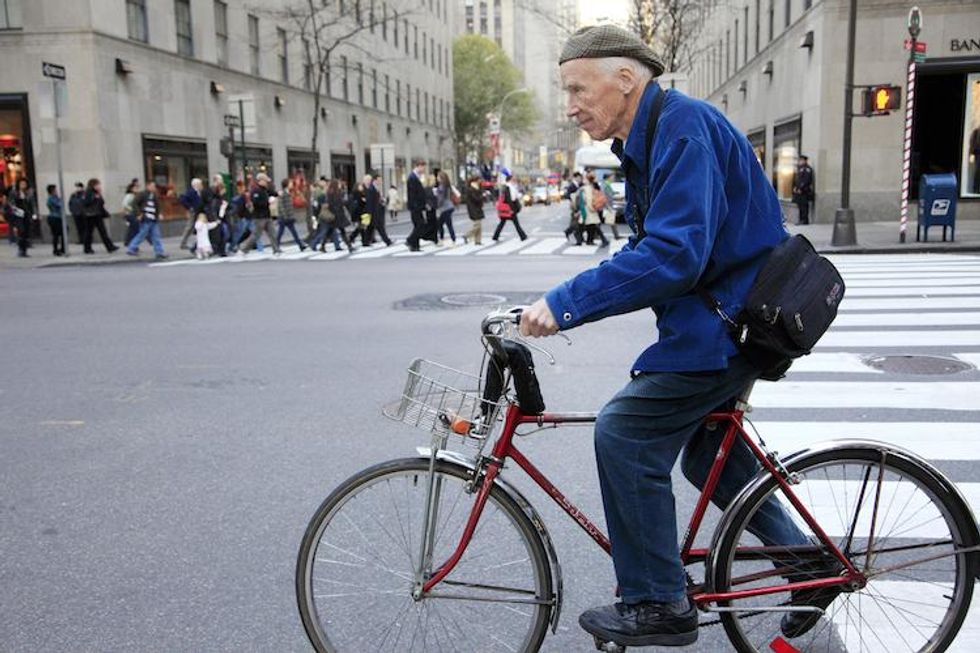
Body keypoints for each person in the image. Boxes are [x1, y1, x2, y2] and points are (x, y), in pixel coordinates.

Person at [518, 25, 813, 648]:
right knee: (708, 455)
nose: (569, 105)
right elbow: (655, 252)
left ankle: (658, 602)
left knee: (624, 433)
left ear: (625, 79)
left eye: (577, 88)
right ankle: (805, 565)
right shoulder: (650, 136)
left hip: (728, 327)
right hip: (716, 320)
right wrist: (567, 299)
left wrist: (565, 305)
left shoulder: (683, 129)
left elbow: (674, 255)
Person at [237, 173, 281, 255]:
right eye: (265, 181)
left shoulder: (265, 190)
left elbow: (273, 193)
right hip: (259, 217)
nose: (266, 183)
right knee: (256, 235)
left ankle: (276, 249)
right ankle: (243, 248)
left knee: (273, 233)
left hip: (267, 215)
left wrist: (278, 194)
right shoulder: (255, 191)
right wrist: (268, 202)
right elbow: (256, 203)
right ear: (260, 181)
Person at [126, 180, 167, 259]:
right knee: (142, 234)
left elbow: (157, 206)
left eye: (154, 186)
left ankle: (159, 252)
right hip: (145, 217)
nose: (153, 188)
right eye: (152, 186)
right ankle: (131, 248)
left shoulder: (154, 195)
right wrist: (139, 214)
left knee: (156, 235)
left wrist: (159, 214)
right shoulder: (142, 194)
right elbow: (134, 204)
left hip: (153, 218)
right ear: (148, 186)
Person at [81, 178, 118, 253]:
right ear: (93, 185)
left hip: (97, 214)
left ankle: (110, 247)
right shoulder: (88, 192)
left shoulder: (97, 193)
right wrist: (95, 197)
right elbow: (86, 203)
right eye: (97, 184)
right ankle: (87, 248)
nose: (99, 186)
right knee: (89, 232)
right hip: (90, 215)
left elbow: (101, 204)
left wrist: (105, 213)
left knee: (103, 231)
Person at [491, 175, 528, 241]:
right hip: (509, 207)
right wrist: (511, 209)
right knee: (516, 223)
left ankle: (495, 236)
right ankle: (523, 236)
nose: (515, 179)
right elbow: (508, 198)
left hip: (508, 207)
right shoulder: (507, 187)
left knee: (502, 223)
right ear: (510, 179)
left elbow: (514, 196)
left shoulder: (510, 186)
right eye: (513, 178)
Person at [578, 171, 610, 247]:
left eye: (585, 179)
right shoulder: (589, 187)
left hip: (588, 209)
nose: (583, 180)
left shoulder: (587, 188)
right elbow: (588, 199)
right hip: (589, 209)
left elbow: (588, 199)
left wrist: (591, 208)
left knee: (590, 225)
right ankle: (597, 240)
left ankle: (588, 240)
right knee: (592, 225)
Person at [9, 178, 38, 257]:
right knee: (21, 230)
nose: (23, 185)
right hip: (18, 215)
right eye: (21, 184)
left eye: (24, 184)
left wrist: (34, 213)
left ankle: (24, 250)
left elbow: (33, 204)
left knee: (26, 232)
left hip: (27, 214)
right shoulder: (14, 193)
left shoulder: (29, 193)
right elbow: (11, 204)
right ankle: (20, 249)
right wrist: (15, 210)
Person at [275, 178, 307, 251]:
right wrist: (284, 215)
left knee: (292, 231)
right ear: (286, 184)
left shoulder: (288, 192)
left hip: (288, 216)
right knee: (281, 232)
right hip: (284, 217)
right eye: (290, 183)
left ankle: (300, 245)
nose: (291, 184)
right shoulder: (283, 193)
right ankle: (276, 246)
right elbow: (281, 205)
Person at [405, 160, 428, 251]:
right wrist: (416, 206)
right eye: (423, 168)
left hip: (417, 206)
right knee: (420, 224)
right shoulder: (412, 177)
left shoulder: (416, 177)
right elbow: (412, 194)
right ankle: (410, 240)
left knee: (417, 225)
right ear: (418, 166)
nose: (423, 170)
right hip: (415, 206)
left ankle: (415, 246)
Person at [365, 175, 393, 246]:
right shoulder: (371, 189)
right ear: (375, 180)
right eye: (379, 180)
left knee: (371, 228)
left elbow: (378, 199)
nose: (380, 181)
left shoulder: (376, 188)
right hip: (373, 212)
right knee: (377, 227)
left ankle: (366, 242)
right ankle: (387, 241)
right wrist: (370, 213)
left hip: (376, 211)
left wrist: (382, 201)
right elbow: (370, 202)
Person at [178, 178, 205, 250]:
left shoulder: (199, 192)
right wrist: (190, 207)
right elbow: (183, 199)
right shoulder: (191, 192)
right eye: (200, 184)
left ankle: (197, 242)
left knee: (196, 227)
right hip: (194, 212)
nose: (201, 186)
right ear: (196, 185)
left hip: (198, 211)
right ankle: (183, 242)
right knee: (190, 227)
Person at [792, 155, 815, 225]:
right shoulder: (800, 168)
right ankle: (801, 219)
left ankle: (804, 220)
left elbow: (806, 180)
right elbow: (798, 180)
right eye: (800, 160)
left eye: (801, 160)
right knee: (800, 206)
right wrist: (796, 187)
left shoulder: (807, 169)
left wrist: (800, 188)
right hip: (799, 191)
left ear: (805, 160)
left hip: (804, 191)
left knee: (804, 206)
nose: (800, 161)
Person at [435, 170, 457, 244]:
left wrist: (437, 205)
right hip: (449, 206)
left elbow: (440, 198)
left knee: (442, 224)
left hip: (445, 208)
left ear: (441, 178)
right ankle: (451, 239)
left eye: (438, 176)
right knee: (446, 224)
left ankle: (444, 239)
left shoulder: (441, 186)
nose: (437, 178)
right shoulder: (447, 185)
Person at [563, 172, 584, 244]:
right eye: (579, 178)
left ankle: (573, 234)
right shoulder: (571, 186)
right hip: (574, 205)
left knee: (576, 222)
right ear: (575, 177)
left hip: (578, 204)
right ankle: (570, 233)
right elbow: (567, 195)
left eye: (580, 178)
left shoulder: (580, 185)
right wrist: (572, 199)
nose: (580, 179)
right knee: (576, 222)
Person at [463, 175, 485, 245]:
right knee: (477, 225)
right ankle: (467, 235)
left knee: (479, 226)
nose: (481, 181)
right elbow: (476, 199)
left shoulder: (478, 187)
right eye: (480, 179)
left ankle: (478, 241)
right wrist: (483, 196)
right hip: (473, 208)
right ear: (476, 180)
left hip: (477, 208)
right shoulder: (471, 189)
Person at [46, 184, 65, 256]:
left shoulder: (55, 198)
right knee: (56, 234)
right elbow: (59, 204)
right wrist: (59, 200)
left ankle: (62, 248)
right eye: (55, 190)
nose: (56, 191)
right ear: (52, 191)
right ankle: (56, 249)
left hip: (58, 217)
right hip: (54, 218)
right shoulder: (51, 198)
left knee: (63, 233)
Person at [121, 179, 141, 247]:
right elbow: (124, 204)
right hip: (130, 214)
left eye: (138, 187)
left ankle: (128, 242)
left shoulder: (134, 195)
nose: (137, 189)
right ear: (131, 189)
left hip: (132, 214)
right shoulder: (129, 195)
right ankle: (133, 244)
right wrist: (133, 209)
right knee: (136, 229)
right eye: (135, 188)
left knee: (132, 229)